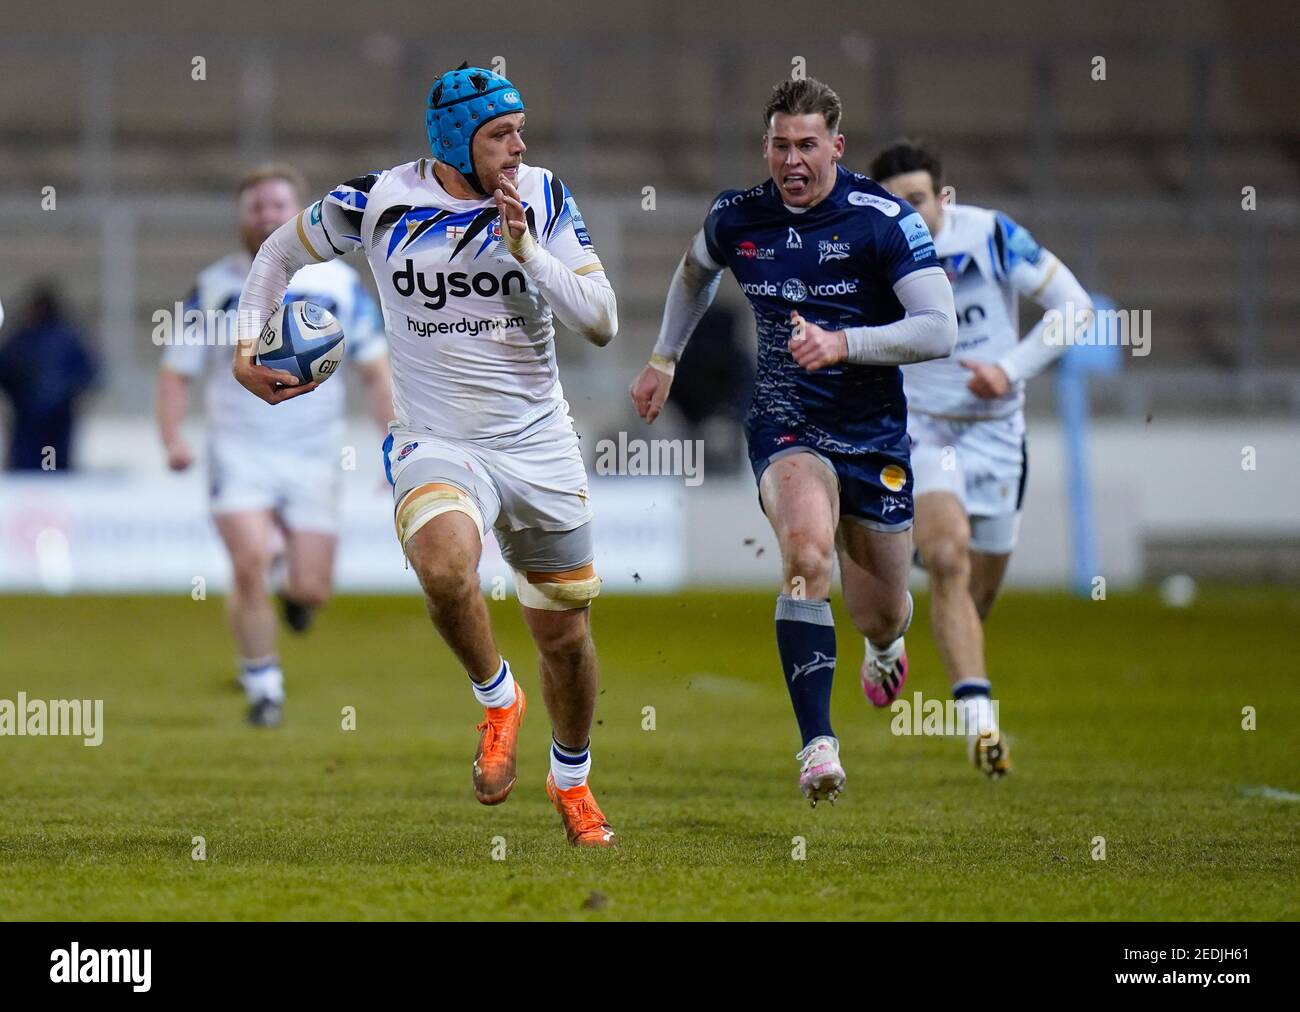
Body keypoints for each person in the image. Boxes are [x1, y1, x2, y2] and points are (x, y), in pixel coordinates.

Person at [230, 66, 620, 846]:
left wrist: (526, 252)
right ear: (454, 141)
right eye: (499, 134)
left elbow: (602, 321)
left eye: (520, 130)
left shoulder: (542, 197)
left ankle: (571, 782)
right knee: (444, 567)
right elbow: (278, 250)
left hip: (538, 444)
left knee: (566, 639)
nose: (518, 146)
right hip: (434, 438)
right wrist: (247, 346)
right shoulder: (374, 201)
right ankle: (498, 698)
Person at [631, 78, 956, 806]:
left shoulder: (883, 220)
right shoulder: (739, 217)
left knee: (883, 608)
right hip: (785, 422)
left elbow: (941, 328)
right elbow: (694, 274)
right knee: (807, 554)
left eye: (808, 144)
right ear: (766, 148)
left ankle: (884, 645)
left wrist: (843, 344)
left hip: (872, 436)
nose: (793, 159)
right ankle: (818, 746)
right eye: (780, 144)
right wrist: (662, 357)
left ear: (835, 147)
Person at [871, 141, 1094, 777]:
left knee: (974, 592)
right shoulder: (871, 248)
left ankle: (889, 636)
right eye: (893, 205)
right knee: (946, 556)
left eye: (915, 202)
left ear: (944, 199)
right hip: (920, 429)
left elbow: (1074, 309)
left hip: (997, 429)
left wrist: (1009, 368)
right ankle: (982, 726)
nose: (905, 216)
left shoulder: (993, 235)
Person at [155, 163, 394, 728]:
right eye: (255, 206)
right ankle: (264, 685)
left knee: (310, 588)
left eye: (276, 205)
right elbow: (175, 373)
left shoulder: (339, 284)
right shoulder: (215, 287)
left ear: (299, 213)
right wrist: (171, 438)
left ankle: (295, 588)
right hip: (239, 450)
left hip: (314, 457)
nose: (265, 216)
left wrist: (393, 442)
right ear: (242, 217)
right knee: (249, 562)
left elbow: (375, 370)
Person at [0, 285, 99, 471]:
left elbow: (91, 373)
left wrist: (64, 392)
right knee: (27, 469)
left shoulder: (67, 339)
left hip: (58, 420)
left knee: (53, 468)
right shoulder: (22, 339)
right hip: (26, 420)